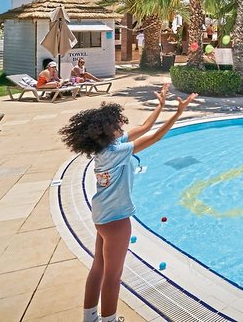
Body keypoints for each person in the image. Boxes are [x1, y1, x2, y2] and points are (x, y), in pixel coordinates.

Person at [59, 84, 197, 322]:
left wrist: (161, 106)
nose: (121, 125)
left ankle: (89, 318)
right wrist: (177, 113)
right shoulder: (115, 152)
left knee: (99, 267)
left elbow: (144, 127)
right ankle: (109, 320)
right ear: (108, 131)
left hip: (102, 215)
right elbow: (154, 137)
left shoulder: (106, 148)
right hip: (116, 219)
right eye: (116, 124)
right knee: (113, 275)